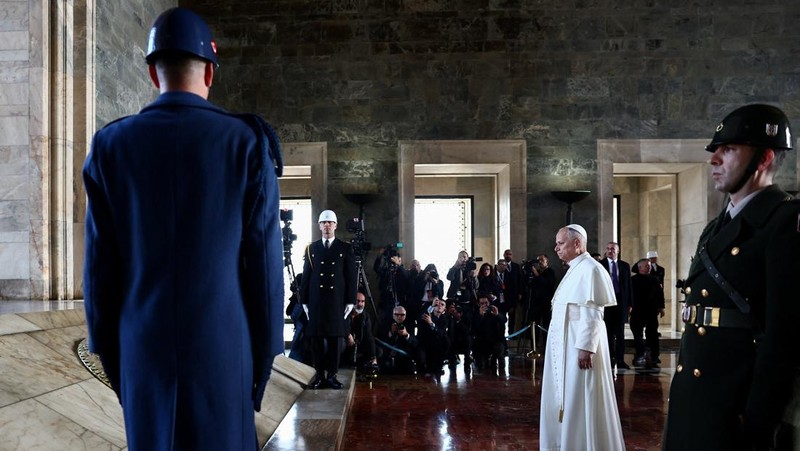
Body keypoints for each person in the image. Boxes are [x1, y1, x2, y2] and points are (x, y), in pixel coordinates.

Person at [82, 8, 285, 450]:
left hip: (142, 352)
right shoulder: (245, 142)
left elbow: (100, 277)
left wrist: (118, 363)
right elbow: (265, 269)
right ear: (210, 71)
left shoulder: (109, 146)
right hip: (223, 350)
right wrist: (263, 360)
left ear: (154, 75)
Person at [663, 104, 800, 451]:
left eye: (729, 150)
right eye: (715, 151)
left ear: (764, 158)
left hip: (735, 408)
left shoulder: (784, 223)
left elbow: (783, 337)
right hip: (695, 397)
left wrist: (758, 421)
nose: (714, 160)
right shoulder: (715, 227)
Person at [540, 224, 625, 450]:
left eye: (560, 243)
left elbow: (593, 312)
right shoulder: (574, 269)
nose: (556, 248)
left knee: (581, 397)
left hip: (579, 347)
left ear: (577, 244)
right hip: (565, 345)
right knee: (565, 398)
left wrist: (586, 347)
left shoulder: (591, 269)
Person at [300, 210, 357, 390]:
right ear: (319, 226)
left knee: (334, 340)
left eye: (330, 222)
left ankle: (332, 376)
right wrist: (304, 301)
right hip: (316, 300)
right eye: (323, 223)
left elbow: (351, 276)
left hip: (336, 301)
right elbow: (306, 277)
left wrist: (350, 300)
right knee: (316, 340)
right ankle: (319, 376)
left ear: (335, 225)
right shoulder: (312, 248)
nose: (327, 225)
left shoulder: (345, 248)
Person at [599, 241, 634, 369]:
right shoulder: (600, 265)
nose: (610, 251)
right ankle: (609, 359)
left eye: (613, 249)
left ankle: (620, 360)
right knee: (607, 333)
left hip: (620, 303)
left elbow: (628, 286)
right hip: (606, 303)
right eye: (608, 249)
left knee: (620, 334)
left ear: (617, 251)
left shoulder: (624, 266)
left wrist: (630, 303)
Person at [629, 259, 664, 367]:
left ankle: (654, 356)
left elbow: (659, 294)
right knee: (637, 333)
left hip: (651, 310)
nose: (649, 267)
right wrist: (629, 307)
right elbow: (630, 295)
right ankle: (640, 354)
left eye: (649, 266)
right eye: (646, 266)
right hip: (637, 310)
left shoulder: (655, 279)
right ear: (639, 268)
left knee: (653, 334)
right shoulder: (632, 280)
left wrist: (661, 307)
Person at [341, 291, 378, 372]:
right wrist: (348, 334)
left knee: (378, 351)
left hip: (357, 344)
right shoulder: (343, 312)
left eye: (362, 301)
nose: (360, 304)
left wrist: (373, 357)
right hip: (344, 342)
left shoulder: (365, 316)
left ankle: (360, 364)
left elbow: (368, 335)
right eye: (357, 301)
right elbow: (339, 326)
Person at [377, 306, 419, 374]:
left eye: (402, 315)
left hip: (404, 356)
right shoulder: (385, 322)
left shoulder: (411, 324)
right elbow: (379, 338)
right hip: (388, 354)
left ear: (405, 315)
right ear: (393, 315)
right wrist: (391, 332)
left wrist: (406, 335)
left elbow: (415, 342)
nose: (399, 317)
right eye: (396, 314)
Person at [417, 297, 451, 376]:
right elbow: (420, 319)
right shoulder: (427, 313)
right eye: (437, 304)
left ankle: (438, 366)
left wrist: (431, 323)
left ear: (444, 310)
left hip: (436, 344)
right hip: (424, 342)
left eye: (442, 305)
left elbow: (441, 333)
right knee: (422, 363)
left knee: (446, 340)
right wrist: (431, 306)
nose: (439, 306)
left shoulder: (444, 319)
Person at [472, 294, 507, 370]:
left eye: (486, 303)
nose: (484, 305)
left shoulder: (495, 310)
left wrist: (497, 315)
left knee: (499, 348)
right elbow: (474, 328)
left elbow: (504, 320)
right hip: (482, 341)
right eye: (482, 303)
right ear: (478, 304)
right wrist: (480, 316)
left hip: (496, 340)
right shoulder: (476, 313)